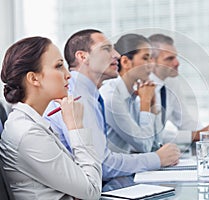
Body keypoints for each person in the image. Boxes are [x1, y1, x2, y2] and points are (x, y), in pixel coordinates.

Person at [45, 29, 180, 181]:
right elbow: (103, 164)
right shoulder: (76, 97)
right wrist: (156, 159)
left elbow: (152, 142)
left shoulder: (90, 94)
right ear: (83, 57)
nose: (116, 55)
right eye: (106, 49)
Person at [0, 37, 102, 199]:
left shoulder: (32, 123)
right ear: (34, 78)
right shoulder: (27, 133)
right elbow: (92, 190)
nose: (68, 75)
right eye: (59, 66)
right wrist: (76, 126)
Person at [148, 33, 209, 144]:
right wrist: (195, 135)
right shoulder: (141, 86)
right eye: (169, 58)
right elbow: (151, 134)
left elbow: (184, 121)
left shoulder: (171, 81)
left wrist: (206, 132)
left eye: (176, 57)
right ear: (151, 61)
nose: (177, 63)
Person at [100, 33, 162, 153]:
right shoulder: (111, 96)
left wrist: (152, 106)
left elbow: (156, 144)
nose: (151, 64)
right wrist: (145, 103)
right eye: (145, 58)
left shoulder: (134, 95)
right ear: (125, 62)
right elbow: (144, 146)